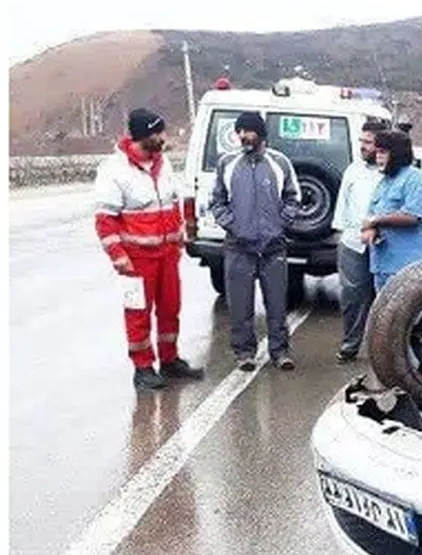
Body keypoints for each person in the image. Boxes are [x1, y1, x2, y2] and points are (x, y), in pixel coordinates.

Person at [93, 108, 205, 391]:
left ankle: (169, 359)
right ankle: (142, 367)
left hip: (167, 255)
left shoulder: (162, 164)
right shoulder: (114, 171)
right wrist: (119, 258)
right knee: (138, 313)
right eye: (158, 133)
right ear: (143, 136)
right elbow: (105, 221)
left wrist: (179, 237)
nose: (163, 138)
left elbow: (173, 202)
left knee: (170, 309)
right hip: (136, 260)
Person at [209, 111, 301, 372]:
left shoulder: (279, 162)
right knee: (240, 305)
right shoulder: (227, 163)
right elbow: (217, 201)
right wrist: (233, 225)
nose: (242, 136)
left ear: (260, 133)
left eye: (247, 131)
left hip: (273, 248)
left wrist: (280, 224)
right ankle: (244, 353)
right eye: (239, 131)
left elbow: (293, 197)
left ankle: (280, 352)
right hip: (238, 247)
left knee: (277, 305)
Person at [330, 118, 388, 363]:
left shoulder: (393, 173)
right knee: (352, 297)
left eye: (368, 142)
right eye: (361, 141)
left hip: (385, 245)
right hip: (354, 243)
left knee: (385, 298)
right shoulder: (353, 170)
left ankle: (383, 350)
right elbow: (342, 207)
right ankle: (350, 345)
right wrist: (341, 236)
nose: (362, 146)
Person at [361, 130, 422, 292]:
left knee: (406, 309)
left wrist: (376, 221)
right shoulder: (384, 182)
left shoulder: (416, 180)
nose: (378, 157)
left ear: (396, 154)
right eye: (377, 152)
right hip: (382, 266)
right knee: (382, 308)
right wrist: (370, 229)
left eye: (383, 152)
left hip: (407, 268)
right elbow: (371, 214)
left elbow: (413, 216)